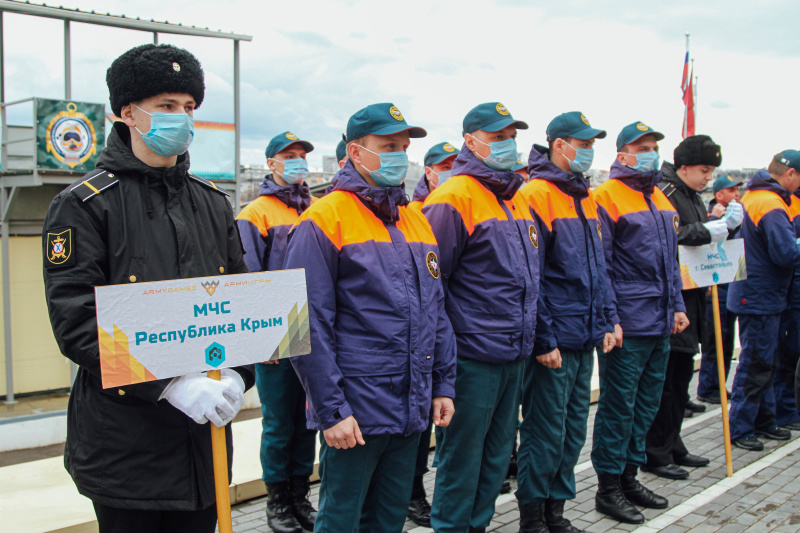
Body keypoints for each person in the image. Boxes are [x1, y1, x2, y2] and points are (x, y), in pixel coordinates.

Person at [42, 44, 254, 533]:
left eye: (188, 107)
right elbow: (77, 323)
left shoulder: (212, 204)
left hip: (203, 446)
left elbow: (241, 304)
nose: (181, 118)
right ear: (126, 112)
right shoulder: (84, 206)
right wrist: (171, 384)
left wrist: (240, 374)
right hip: (125, 450)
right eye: (165, 106)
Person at [284, 103, 457, 533]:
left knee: (388, 518)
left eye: (403, 146)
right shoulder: (324, 220)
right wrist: (331, 410)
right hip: (356, 411)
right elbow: (302, 326)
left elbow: (437, 312)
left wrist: (442, 384)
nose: (399, 155)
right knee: (342, 518)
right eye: (388, 146)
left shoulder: (415, 219)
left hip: (410, 404)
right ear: (356, 152)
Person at [424, 102, 541, 533]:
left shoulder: (513, 198)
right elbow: (433, 289)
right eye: (497, 137)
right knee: (461, 463)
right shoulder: (453, 198)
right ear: (470, 142)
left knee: (494, 461)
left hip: (513, 353)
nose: (509, 144)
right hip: (471, 359)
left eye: (512, 136)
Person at [515, 111, 617, 533]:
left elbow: (600, 268)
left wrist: (609, 319)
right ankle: (533, 517)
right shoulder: (536, 194)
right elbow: (531, 278)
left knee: (573, 429)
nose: (590, 151)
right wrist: (544, 339)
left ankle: (557, 510)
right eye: (583, 143)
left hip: (586, 335)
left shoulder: (585, 197)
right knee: (544, 431)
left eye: (594, 144)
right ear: (559, 145)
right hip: (556, 341)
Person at [591, 121, 689, 525]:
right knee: (618, 407)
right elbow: (603, 269)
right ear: (622, 154)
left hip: (661, 321)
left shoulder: (661, 200)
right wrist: (611, 319)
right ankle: (608, 487)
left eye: (653, 146)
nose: (650, 152)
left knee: (645, 405)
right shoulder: (606, 197)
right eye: (641, 147)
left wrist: (678, 305)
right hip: (627, 326)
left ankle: (630, 476)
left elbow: (671, 264)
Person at [643, 135, 739, 480]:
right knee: (666, 382)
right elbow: (670, 236)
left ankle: (674, 442)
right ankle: (656, 450)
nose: (708, 178)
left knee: (682, 379)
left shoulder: (692, 195)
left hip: (695, 297)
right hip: (673, 301)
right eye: (704, 170)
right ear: (684, 167)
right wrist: (705, 230)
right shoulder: (665, 194)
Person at [236, 131, 317, 533]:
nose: (299, 160)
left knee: (310, 420)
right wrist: (261, 338)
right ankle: (278, 502)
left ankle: (301, 496)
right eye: (290, 155)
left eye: (302, 154)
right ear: (271, 163)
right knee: (280, 424)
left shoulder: (317, 208)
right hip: (278, 337)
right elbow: (247, 276)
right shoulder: (255, 214)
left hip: (316, 335)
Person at [727, 150, 800, 451]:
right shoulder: (771, 203)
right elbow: (785, 254)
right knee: (755, 362)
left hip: (758, 293)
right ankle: (741, 427)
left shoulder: (756, 197)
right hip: (758, 295)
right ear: (791, 174)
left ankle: (764, 420)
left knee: (764, 361)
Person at [697, 174, 743, 404]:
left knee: (726, 341)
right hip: (713, 287)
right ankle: (709, 386)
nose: (736, 195)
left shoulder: (738, 217)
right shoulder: (708, 218)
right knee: (714, 342)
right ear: (719, 195)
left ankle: (719, 385)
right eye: (731, 190)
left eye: (737, 190)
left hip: (730, 284)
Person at [773, 188, 800, 430]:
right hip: (793, 297)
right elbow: (787, 255)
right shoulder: (790, 207)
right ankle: (786, 410)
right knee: (789, 355)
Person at [408, 142, 460, 212]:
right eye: (446, 167)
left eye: (456, 167)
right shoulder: (414, 211)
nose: (453, 173)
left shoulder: (464, 205)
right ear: (428, 173)